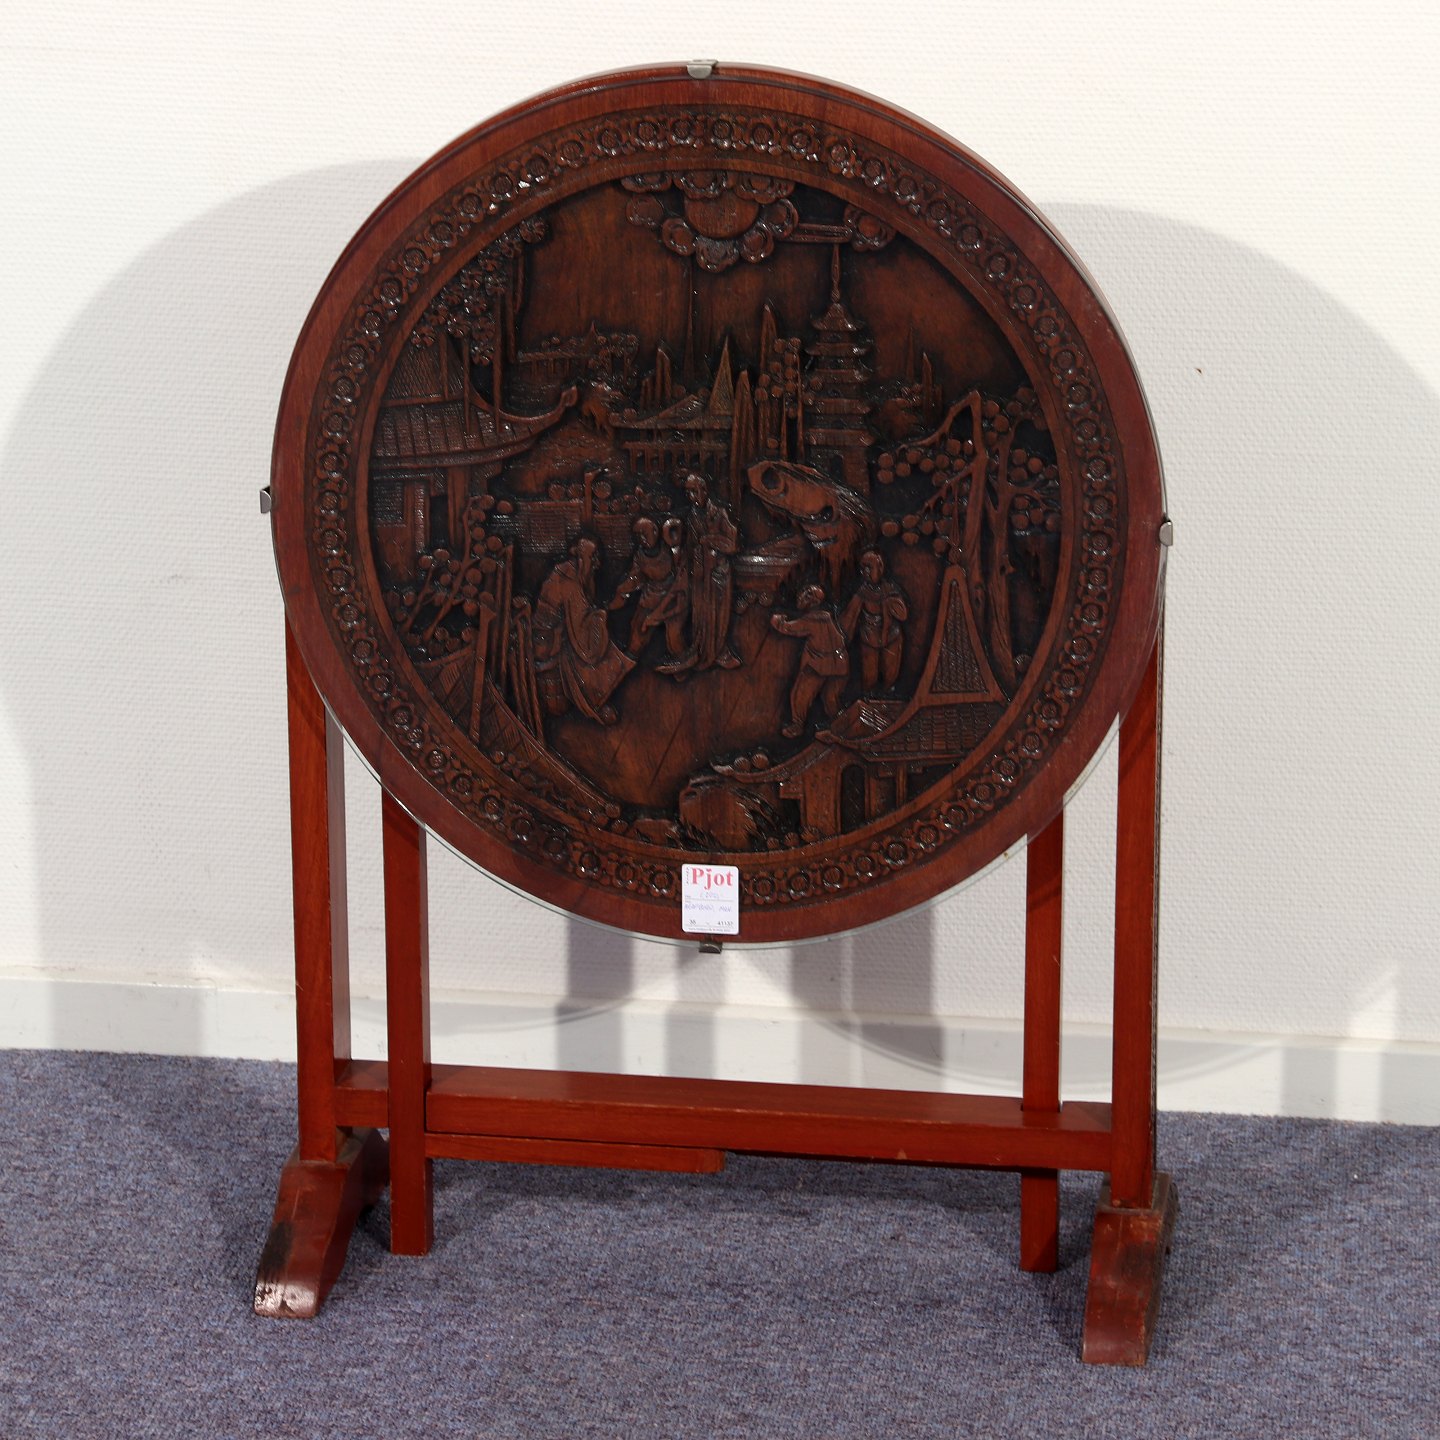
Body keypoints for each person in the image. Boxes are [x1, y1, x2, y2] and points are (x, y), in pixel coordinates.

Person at [532, 537, 634, 724]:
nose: (597, 563)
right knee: (596, 652)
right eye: (593, 557)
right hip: (551, 643)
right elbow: (581, 636)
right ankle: (595, 702)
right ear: (582, 559)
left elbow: (579, 617)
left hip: (559, 635)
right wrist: (602, 615)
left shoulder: (571, 572)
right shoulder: (569, 583)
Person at [770, 585, 850, 739]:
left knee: (799, 694)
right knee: (830, 699)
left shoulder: (814, 619)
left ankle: (798, 725)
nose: (801, 596)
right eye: (804, 592)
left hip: (821, 665)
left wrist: (777, 620)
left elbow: (788, 628)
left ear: (814, 602)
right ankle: (841, 727)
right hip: (840, 664)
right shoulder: (826, 616)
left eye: (807, 595)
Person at [680, 472, 741, 670]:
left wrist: (710, 540)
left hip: (717, 574)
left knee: (718, 613)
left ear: (704, 490)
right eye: (688, 492)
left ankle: (719, 651)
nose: (691, 496)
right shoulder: (692, 515)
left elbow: (732, 544)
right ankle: (701, 649)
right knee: (700, 612)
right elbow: (689, 545)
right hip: (700, 572)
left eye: (694, 491)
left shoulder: (719, 513)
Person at [609, 516, 687, 662]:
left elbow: (681, 577)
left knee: (674, 634)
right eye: (638, 536)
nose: (642, 539)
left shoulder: (670, 549)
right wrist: (624, 589)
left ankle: (681, 660)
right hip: (651, 594)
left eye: (644, 534)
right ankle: (630, 658)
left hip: (672, 594)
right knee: (638, 627)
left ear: (655, 531)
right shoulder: (640, 555)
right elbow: (636, 576)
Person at [841, 549, 908, 692]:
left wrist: (888, 602)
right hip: (869, 638)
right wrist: (840, 638)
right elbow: (849, 616)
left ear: (880, 568)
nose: (865, 572)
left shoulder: (889, 590)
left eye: (869, 567)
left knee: (890, 675)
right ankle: (869, 697)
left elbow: (903, 615)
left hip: (891, 637)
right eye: (863, 568)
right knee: (869, 676)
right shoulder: (862, 593)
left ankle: (888, 694)